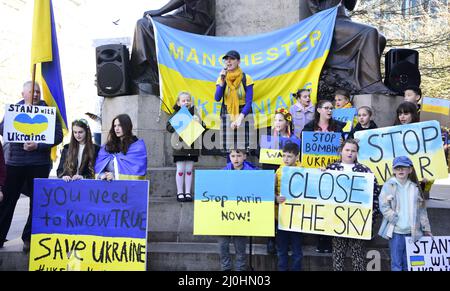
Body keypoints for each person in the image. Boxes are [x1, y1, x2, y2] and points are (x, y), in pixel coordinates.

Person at [0, 81, 63, 251]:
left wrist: (38, 145)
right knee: (7, 201)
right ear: (23, 94)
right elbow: (2, 129)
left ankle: (29, 237)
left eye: (37, 91)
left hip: (39, 164)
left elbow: (58, 136)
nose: (35, 94)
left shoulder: (50, 112)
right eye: (32, 91)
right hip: (15, 163)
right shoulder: (14, 110)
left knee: (38, 202)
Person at [301, 0, 392, 94]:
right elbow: (313, 6)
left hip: (344, 19)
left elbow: (350, 6)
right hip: (328, 21)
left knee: (381, 39)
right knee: (370, 32)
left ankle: (363, 78)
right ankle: (371, 83)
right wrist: (322, 22)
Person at [130, 0, 215, 89]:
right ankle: (146, 72)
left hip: (195, 19)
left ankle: (146, 73)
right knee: (143, 23)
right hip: (184, 15)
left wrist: (159, 11)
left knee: (144, 24)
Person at [326, 139, 381, 271]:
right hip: (337, 220)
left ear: (357, 153)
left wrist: (371, 218)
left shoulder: (365, 171)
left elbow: (374, 194)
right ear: (341, 151)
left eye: (353, 151)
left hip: (357, 221)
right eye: (347, 150)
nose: (350, 153)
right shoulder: (331, 168)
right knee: (338, 256)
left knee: (358, 256)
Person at [302, 99, 345, 253]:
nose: (330, 111)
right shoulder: (308, 128)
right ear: (319, 110)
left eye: (331, 108)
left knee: (330, 207)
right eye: (326, 108)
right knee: (318, 207)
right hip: (315, 173)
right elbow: (304, 151)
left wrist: (343, 142)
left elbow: (347, 149)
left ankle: (329, 240)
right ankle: (321, 240)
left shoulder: (339, 127)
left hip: (333, 173)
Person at [378, 156, 432, 271]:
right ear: (393, 170)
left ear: (410, 170)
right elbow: (383, 205)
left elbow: (422, 210)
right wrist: (394, 218)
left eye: (404, 167)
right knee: (396, 264)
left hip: (412, 232)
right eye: (398, 168)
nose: (401, 170)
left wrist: (426, 228)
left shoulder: (415, 188)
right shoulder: (389, 185)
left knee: (410, 264)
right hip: (396, 232)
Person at [218, 149, 257, 271]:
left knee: (240, 248)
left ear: (245, 156)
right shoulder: (222, 173)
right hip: (224, 216)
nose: (236, 159)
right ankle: (226, 269)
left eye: (239, 155)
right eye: (233, 156)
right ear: (229, 157)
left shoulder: (253, 173)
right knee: (223, 246)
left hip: (242, 217)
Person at [166, 92, 202, 202]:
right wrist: (181, 120)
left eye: (188, 100)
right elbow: (169, 127)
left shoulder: (195, 113)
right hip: (179, 147)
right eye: (183, 100)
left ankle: (188, 192)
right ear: (178, 102)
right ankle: (180, 192)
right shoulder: (176, 114)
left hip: (192, 146)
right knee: (180, 169)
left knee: (189, 170)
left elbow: (202, 127)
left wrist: (198, 121)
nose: (186, 102)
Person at [275, 142, 303, 271]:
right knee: (282, 249)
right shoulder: (279, 172)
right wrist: (276, 198)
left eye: (289, 156)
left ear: (297, 157)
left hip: (297, 217)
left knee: (297, 250)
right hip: (281, 217)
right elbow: (272, 190)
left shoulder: (303, 171)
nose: (286, 159)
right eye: (284, 156)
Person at [95, 114, 147, 180]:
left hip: (127, 189)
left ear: (127, 126)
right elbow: (100, 166)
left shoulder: (137, 147)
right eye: (114, 126)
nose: (116, 128)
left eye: (120, 125)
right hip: (107, 187)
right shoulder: (108, 146)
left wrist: (114, 176)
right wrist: (103, 175)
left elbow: (136, 172)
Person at [215, 50, 254, 130]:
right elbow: (217, 98)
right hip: (227, 112)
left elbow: (249, 102)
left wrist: (239, 119)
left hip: (244, 113)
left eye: (232, 59)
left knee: (245, 142)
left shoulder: (246, 78)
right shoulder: (222, 78)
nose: (228, 61)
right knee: (227, 142)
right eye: (226, 59)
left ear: (238, 61)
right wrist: (222, 81)